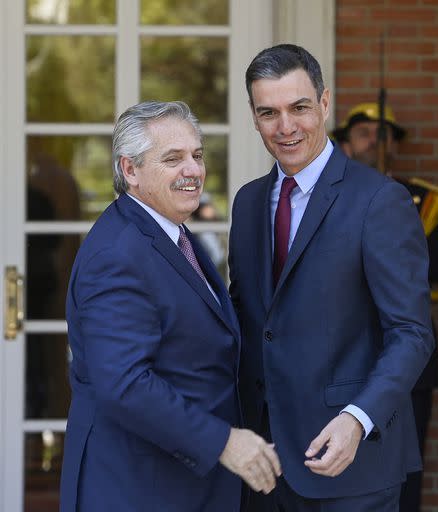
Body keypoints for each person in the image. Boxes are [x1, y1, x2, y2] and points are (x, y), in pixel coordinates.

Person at [229, 44, 434, 511]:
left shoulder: (379, 201)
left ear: (324, 103)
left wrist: (359, 418)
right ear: (254, 116)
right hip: (262, 466)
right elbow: (247, 320)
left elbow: (412, 333)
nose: (285, 126)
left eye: (299, 107)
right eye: (269, 112)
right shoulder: (246, 203)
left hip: (349, 461)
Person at [59, 100, 281, 512]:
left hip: (179, 483)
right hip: (138, 487)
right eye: (173, 158)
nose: (193, 170)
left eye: (196, 156)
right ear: (130, 170)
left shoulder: (171, 232)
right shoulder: (118, 254)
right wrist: (223, 441)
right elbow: (125, 384)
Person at [333, 103, 438, 511]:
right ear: (346, 144)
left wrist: (393, 220)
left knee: (406, 470)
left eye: (382, 134)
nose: (374, 141)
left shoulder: (421, 199)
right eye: (364, 132)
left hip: (407, 352)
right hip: (344, 351)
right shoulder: (329, 196)